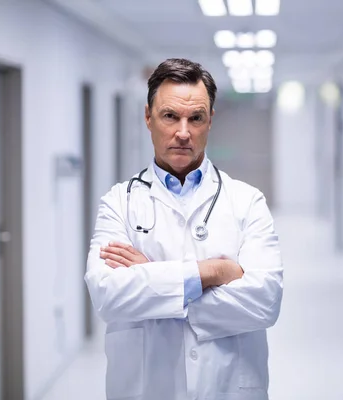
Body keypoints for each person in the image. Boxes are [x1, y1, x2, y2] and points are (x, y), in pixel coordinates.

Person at [85, 58, 283, 400]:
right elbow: (108, 296)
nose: (183, 132)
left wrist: (154, 281)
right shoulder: (119, 202)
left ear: (210, 121)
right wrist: (213, 271)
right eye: (169, 116)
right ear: (148, 117)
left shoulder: (247, 202)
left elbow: (264, 302)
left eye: (196, 118)